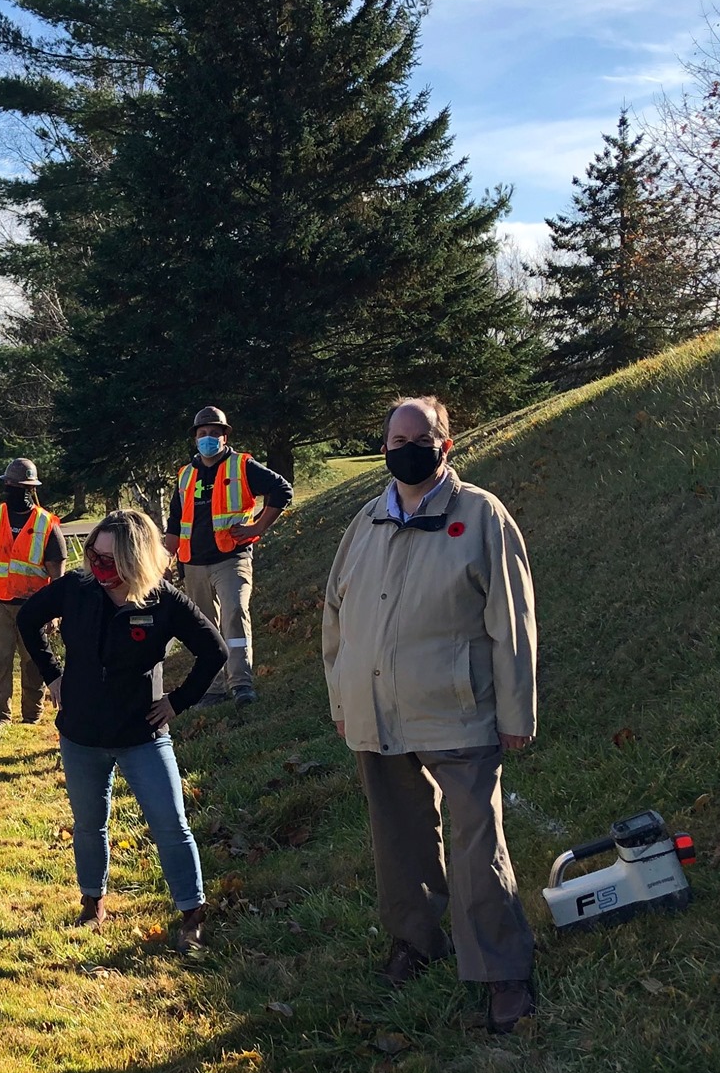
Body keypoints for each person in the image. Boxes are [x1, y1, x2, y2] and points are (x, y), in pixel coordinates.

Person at [321, 395, 539, 1033]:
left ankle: (502, 968)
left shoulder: (479, 517)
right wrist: (343, 699)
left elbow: (512, 622)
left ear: (446, 444)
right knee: (399, 837)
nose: (403, 447)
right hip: (376, 713)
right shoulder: (365, 521)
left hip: (457, 713)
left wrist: (516, 710)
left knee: (476, 843)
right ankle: (416, 940)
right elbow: (335, 614)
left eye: (418, 436)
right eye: (394, 437)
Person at [18, 509, 226, 953]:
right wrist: (52, 676)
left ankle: (192, 914)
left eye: (112, 560)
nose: (100, 566)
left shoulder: (163, 600)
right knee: (89, 825)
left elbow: (214, 651)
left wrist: (177, 701)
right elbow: (27, 620)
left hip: (142, 737)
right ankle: (92, 904)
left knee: (171, 824)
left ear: (137, 560)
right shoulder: (77, 588)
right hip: (81, 735)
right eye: (94, 554)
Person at [172, 405, 292, 709]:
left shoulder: (242, 466)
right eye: (202, 433)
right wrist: (164, 562)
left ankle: (241, 683)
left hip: (231, 558)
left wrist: (259, 526)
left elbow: (281, 490)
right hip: (193, 563)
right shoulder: (185, 475)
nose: (208, 438)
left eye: (214, 433)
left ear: (225, 436)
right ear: (195, 438)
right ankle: (213, 688)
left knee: (235, 614)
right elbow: (174, 524)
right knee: (204, 628)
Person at [0, 457, 67, 725]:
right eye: (10, 484)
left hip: (34, 607)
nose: (13, 489)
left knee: (33, 662)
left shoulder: (47, 524)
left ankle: (32, 714)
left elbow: (57, 575)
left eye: (20, 486)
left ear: (31, 489)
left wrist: (55, 613)